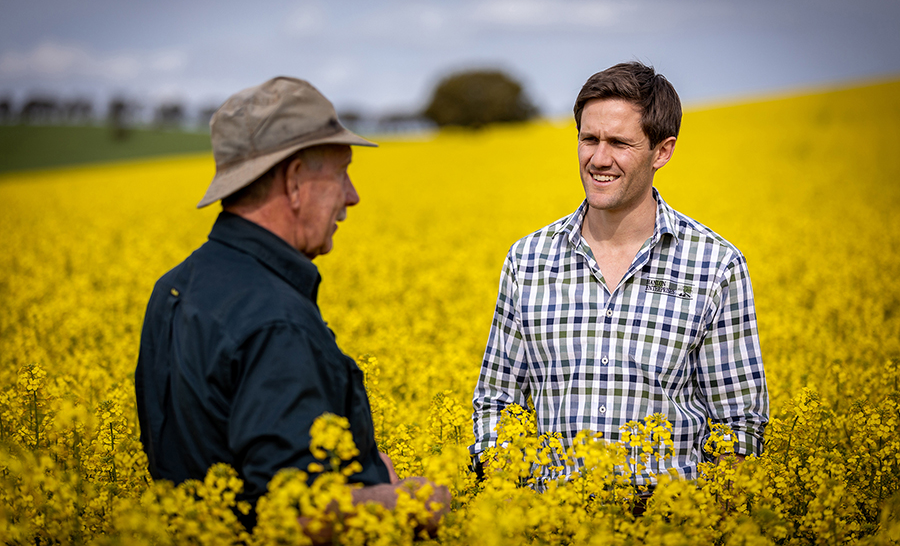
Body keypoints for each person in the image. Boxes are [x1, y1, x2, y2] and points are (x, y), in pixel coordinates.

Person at [135, 76, 450, 532]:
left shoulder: (175, 287)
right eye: (342, 172)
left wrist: (365, 461)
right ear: (295, 180)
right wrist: (404, 503)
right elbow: (295, 515)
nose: (352, 196)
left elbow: (220, 448)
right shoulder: (276, 322)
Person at [470, 62, 769, 492]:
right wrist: (507, 505)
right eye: (588, 139)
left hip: (669, 529)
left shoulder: (715, 265)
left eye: (619, 143)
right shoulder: (528, 260)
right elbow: (497, 404)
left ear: (662, 151)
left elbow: (738, 424)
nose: (599, 158)